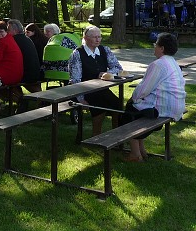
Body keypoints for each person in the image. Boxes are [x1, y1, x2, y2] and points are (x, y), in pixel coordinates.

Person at [123, 32, 186, 162]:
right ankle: (141, 150)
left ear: (162, 48)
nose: (154, 47)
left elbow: (144, 89)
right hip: (177, 105)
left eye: (155, 44)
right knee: (137, 108)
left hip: (165, 107)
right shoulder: (173, 62)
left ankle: (135, 154)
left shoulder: (158, 64)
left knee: (129, 111)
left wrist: (134, 98)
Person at [67, 26, 123, 135]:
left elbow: (118, 68)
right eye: (94, 37)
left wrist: (107, 73)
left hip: (101, 89)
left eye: (99, 37)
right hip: (84, 90)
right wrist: (81, 99)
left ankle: (118, 135)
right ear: (86, 38)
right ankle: (96, 137)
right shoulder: (77, 54)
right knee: (99, 108)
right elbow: (75, 79)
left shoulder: (104, 50)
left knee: (118, 105)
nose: (98, 39)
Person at [0, 21, 23, 113]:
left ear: (6, 31)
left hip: (8, 74)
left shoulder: (3, 42)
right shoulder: (10, 39)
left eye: (1, 31)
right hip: (17, 74)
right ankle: (19, 100)